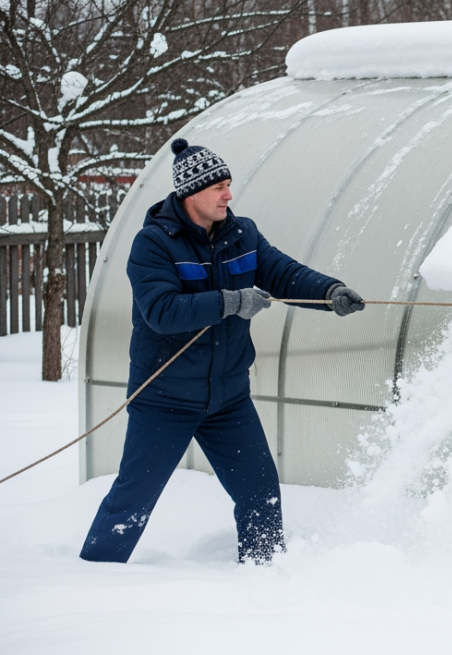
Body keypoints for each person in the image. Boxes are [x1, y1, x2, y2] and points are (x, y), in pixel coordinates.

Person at [80, 139, 366, 564]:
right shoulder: (153, 244)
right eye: (220, 188)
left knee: (260, 490)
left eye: (229, 185)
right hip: (164, 399)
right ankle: (93, 576)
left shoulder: (241, 234)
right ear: (192, 192)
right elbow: (161, 311)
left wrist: (329, 292)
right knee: (133, 499)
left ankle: (264, 570)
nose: (229, 195)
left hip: (227, 398)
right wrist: (230, 301)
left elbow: (283, 273)